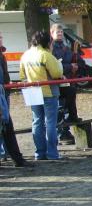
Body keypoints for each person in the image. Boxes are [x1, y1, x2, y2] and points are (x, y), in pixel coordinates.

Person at [20, 30, 65, 161]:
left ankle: (39, 153)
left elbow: (22, 75)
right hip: (48, 92)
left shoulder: (25, 55)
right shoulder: (46, 55)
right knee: (50, 122)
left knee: (37, 122)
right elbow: (57, 73)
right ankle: (52, 153)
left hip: (32, 92)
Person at [0, 31, 29, 167]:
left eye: (1, 37)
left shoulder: (2, 55)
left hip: (3, 94)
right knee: (6, 127)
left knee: (7, 127)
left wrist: (7, 84)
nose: (1, 39)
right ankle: (16, 158)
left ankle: (17, 158)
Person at [50, 23, 78, 145]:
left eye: (61, 32)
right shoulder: (51, 48)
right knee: (60, 106)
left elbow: (74, 60)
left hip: (68, 79)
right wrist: (69, 66)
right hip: (57, 81)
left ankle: (66, 129)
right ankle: (61, 133)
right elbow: (55, 64)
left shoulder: (66, 47)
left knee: (68, 104)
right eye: (57, 32)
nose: (60, 34)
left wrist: (75, 63)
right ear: (52, 33)